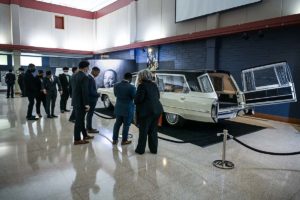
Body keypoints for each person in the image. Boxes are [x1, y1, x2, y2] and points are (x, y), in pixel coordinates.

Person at [134, 69, 163, 154]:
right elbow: (158, 97)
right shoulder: (154, 85)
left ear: (142, 76)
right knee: (153, 131)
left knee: (143, 131)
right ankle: (154, 150)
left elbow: (138, 100)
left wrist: (135, 99)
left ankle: (140, 150)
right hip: (157, 110)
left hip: (146, 112)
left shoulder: (142, 86)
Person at [71, 61, 94, 145]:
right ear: (85, 67)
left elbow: (72, 89)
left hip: (75, 101)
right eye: (88, 67)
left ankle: (85, 135)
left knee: (80, 120)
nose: (88, 69)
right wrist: (87, 104)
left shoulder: (74, 75)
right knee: (78, 121)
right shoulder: (84, 77)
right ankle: (77, 139)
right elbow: (85, 91)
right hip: (81, 103)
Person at [112, 72, 136, 145]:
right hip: (127, 109)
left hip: (118, 107)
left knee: (117, 124)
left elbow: (116, 95)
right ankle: (124, 140)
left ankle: (114, 139)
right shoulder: (132, 87)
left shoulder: (116, 85)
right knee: (126, 125)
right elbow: (134, 97)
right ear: (130, 78)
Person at [86, 67, 101, 133]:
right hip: (91, 100)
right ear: (94, 71)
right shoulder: (90, 78)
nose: (98, 74)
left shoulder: (90, 78)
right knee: (90, 114)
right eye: (98, 73)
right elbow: (90, 91)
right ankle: (89, 128)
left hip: (91, 99)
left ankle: (88, 127)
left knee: (89, 114)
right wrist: (98, 94)